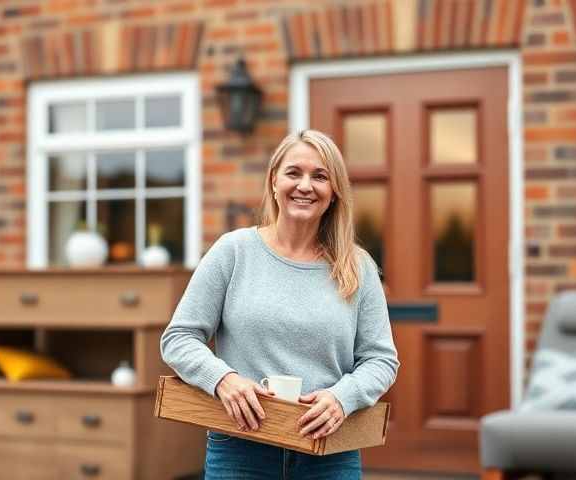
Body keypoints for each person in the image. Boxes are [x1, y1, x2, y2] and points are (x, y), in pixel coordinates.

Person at [160, 129, 399, 479]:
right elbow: (178, 338)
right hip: (240, 449)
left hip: (330, 452)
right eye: (293, 173)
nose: (305, 185)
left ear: (333, 193)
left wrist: (341, 397)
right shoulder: (234, 251)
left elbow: (381, 360)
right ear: (274, 181)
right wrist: (223, 379)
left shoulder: (357, 266)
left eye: (320, 176)